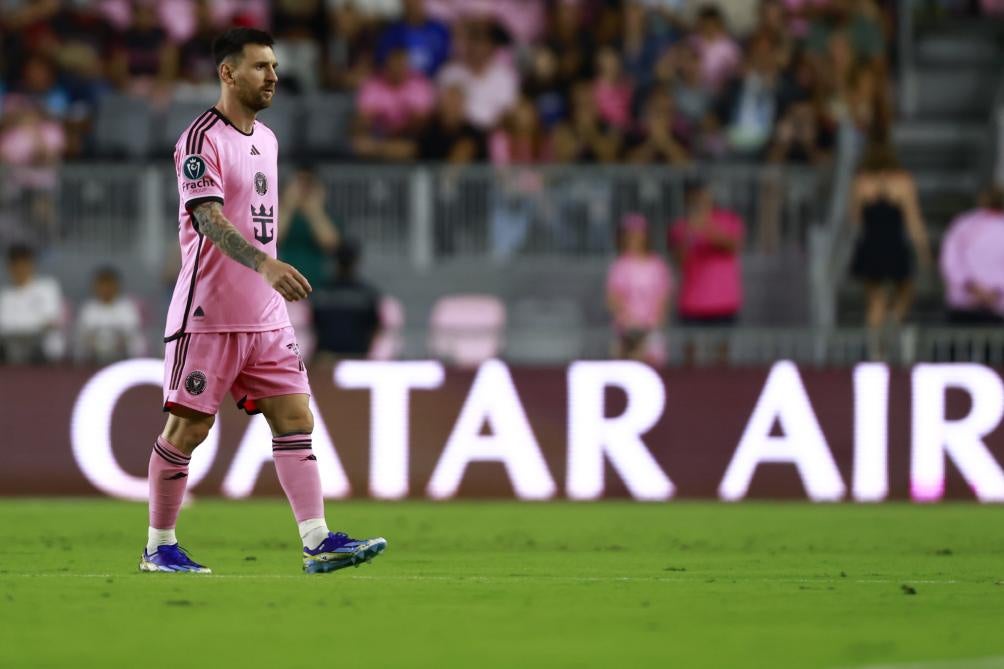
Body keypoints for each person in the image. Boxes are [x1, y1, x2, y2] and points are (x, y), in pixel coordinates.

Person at [145, 28, 386, 575]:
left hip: (266, 316)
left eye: (274, 66)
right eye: (259, 66)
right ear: (228, 73)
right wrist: (265, 264)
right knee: (188, 430)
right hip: (209, 312)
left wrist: (267, 274)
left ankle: (317, 539)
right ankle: (159, 545)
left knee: (296, 416)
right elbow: (207, 218)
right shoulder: (200, 138)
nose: (272, 75)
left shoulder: (269, 140)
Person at [849, 139, 931, 357]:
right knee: (905, 290)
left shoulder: (861, 182)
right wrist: (923, 251)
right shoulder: (903, 182)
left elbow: (855, 218)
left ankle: (876, 351)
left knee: (874, 299)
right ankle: (894, 320)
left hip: (871, 244)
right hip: (894, 244)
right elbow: (913, 221)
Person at [668, 180, 744, 325]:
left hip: (724, 302)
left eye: (702, 197)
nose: (698, 202)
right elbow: (679, 261)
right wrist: (688, 234)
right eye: (694, 199)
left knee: (721, 346)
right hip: (691, 304)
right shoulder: (680, 226)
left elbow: (733, 247)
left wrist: (707, 227)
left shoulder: (729, 219)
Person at [606, 213, 673, 365]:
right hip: (626, 331)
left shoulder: (657, 265)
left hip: (651, 329)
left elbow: (664, 297)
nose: (633, 239)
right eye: (628, 235)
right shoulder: (620, 265)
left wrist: (652, 324)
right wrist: (630, 322)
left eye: (637, 234)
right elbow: (613, 298)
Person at [939, 186, 1004, 325]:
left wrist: (976, 289)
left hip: (979, 302)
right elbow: (950, 260)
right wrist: (991, 292)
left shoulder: (963, 223)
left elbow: (950, 261)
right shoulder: (964, 224)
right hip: (971, 303)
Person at [311, 240, 381, 361]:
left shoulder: (321, 292)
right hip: (357, 359)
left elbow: (313, 326)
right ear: (357, 261)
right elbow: (375, 327)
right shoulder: (368, 294)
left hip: (326, 358)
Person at [277, 164, 341, 290]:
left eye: (309, 184)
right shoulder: (280, 212)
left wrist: (314, 210)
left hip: (318, 285)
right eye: (299, 183)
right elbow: (274, 239)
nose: (303, 189)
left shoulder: (327, 215)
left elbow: (330, 244)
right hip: (285, 284)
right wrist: (288, 206)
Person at [0, 243, 65, 364]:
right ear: (9, 267)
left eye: (23, 264)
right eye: (15, 264)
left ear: (32, 264)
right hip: (10, 355)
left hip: (44, 356)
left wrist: (20, 331)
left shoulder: (47, 287)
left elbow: (50, 323)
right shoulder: (4, 296)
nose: (19, 269)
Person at [73, 266, 147, 364]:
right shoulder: (88, 308)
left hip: (121, 353)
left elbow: (131, 333)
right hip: (94, 355)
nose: (106, 288)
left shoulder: (127, 307)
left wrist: (115, 345)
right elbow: (83, 335)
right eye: (102, 284)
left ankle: (135, 370)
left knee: (138, 343)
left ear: (117, 285)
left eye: (109, 284)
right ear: (95, 286)